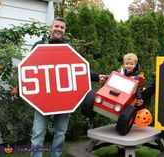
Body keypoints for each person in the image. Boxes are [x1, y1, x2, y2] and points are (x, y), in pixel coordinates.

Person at [30, 17, 105, 157]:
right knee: (37, 134)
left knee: (60, 133)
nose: (59, 29)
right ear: (50, 27)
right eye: (56, 26)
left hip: (63, 100)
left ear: (65, 30)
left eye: (62, 27)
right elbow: (28, 68)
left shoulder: (69, 48)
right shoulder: (39, 45)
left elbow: (79, 68)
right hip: (43, 100)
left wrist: (96, 76)